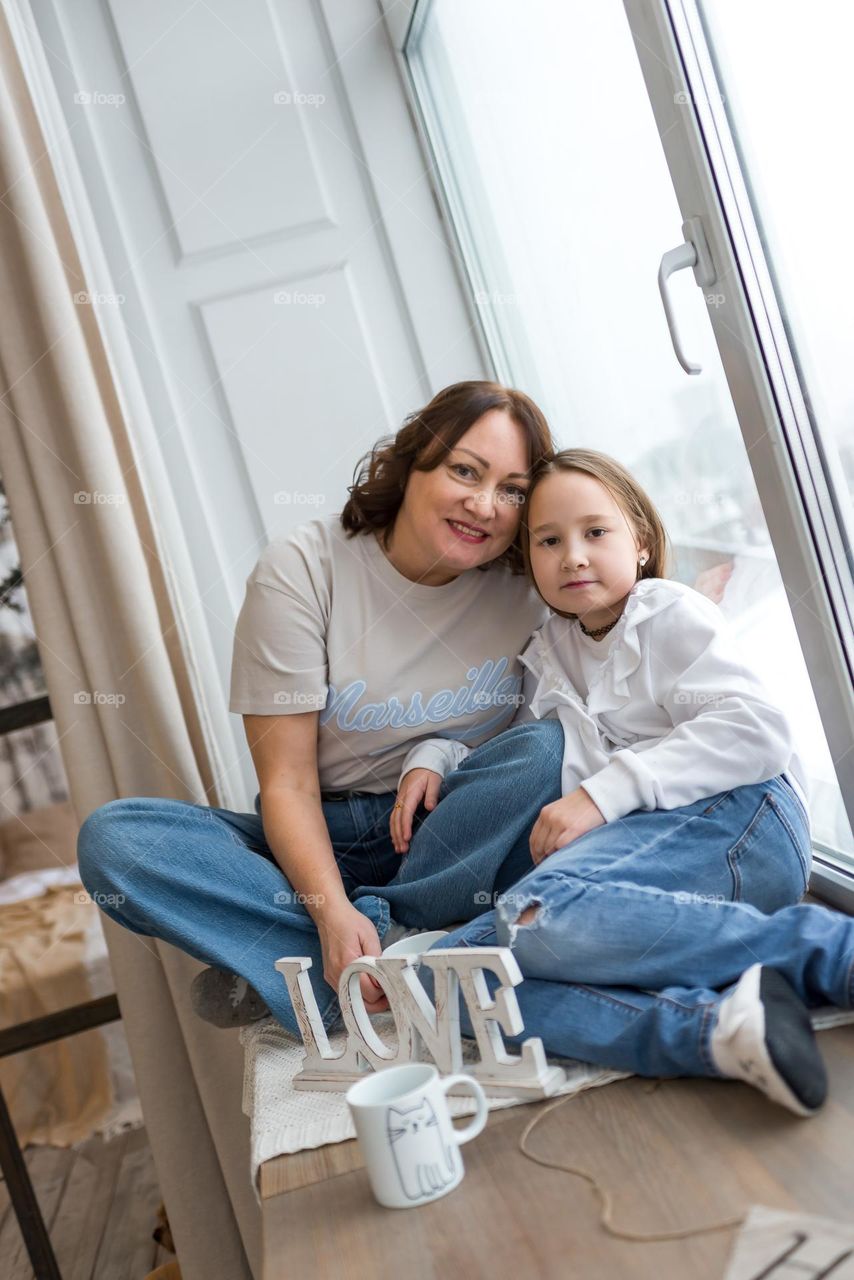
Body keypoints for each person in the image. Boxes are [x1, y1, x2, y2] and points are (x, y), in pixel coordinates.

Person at [361, 448, 850, 1117]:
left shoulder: (666, 613)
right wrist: (434, 756)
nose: (574, 557)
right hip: (652, 871)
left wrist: (602, 794)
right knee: (447, 984)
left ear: (641, 543)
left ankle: (830, 951)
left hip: (741, 821)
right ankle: (713, 1031)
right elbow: (505, 743)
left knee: (540, 910)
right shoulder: (550, 651)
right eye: (550, 541)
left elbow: (758, 730)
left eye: (596, 533)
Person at [76, 381, 565, 1030]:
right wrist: (332, 910)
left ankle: (325, 958)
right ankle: (389, 950)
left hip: (456, 833)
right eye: (465, 471)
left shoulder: (532, 583)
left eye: (513, 491)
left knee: (542, 753)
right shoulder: (302, 568)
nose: (484, 505)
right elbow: (286, 784)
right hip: (326, 836)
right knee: (117, 842)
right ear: (413, 462)